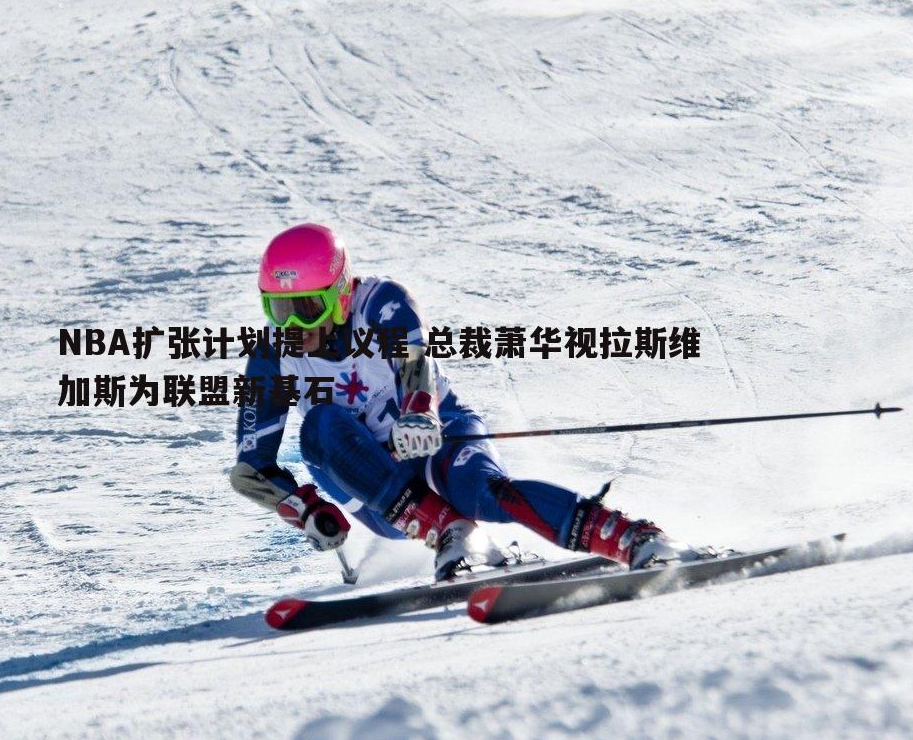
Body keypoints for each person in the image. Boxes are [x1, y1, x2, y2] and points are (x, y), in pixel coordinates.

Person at [228, 223, 709, 581]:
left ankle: (635, 539)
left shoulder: (381, 303)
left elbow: (412, 358)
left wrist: (419, 409)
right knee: (321, 428)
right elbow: (251, 469)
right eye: (279, 309)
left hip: (435, 436)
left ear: (339, 291)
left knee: (482, 489)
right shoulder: (273, 355)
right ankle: (454, 534)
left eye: (306, 308)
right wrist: (304, 508)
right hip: (378, 489)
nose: (295, 326)